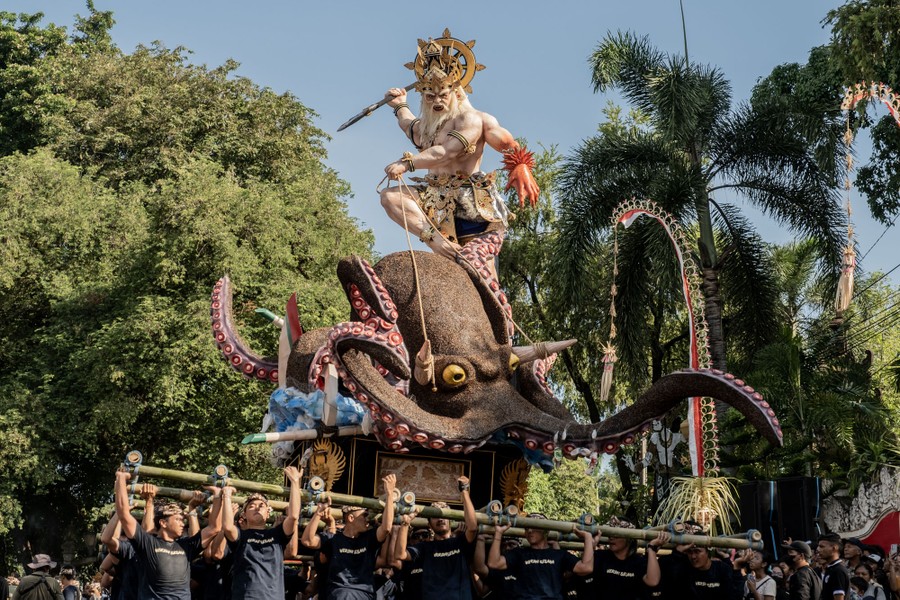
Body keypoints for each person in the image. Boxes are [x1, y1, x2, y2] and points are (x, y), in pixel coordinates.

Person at [381, 30, 540, 260]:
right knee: (389, 197)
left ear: (455, 91)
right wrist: (399, 105)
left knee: (480, 272)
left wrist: (520, 164)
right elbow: (409, 125)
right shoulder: (426, 127)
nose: (436, 101)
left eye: (442, 95)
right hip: (433, 200)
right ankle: (437, 242)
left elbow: (446, 152)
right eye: (429, 97)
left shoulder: (471, 119)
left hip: (469, 201)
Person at [113, 470, 223, 600]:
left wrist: (217, 495)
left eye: (183, 520)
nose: (182, 524)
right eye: (178, 519)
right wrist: (121, 479)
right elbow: (124, 514)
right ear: (163, 523)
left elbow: (215, 527)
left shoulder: (187, 546)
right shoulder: (148, 543)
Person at [301, 474, 397, 599]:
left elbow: (386, 527)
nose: (368, 520)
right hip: (341, 593)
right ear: (351, 518)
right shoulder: (333, 539)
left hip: (365, 594)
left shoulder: (368, 538)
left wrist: (390, 494)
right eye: (364, 515)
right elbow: (307, 541)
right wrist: (318, 513)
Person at [214, 466, 302, 600]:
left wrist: (295, 482)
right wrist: (227, 495)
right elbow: (227, 526)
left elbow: (294, 516)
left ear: (268, 513)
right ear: (244, 514)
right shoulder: (241, 536)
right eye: (251, 506)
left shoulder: (277, 534)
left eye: (262, 505)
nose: (257, 507)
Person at [393, 476, 478, 600]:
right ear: (429, 524)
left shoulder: (460, 542)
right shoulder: (425, 547)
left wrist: (464, 490)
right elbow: (400, 554)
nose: (440, 519)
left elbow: (473, 527)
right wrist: (405, 524)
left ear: (451, 519)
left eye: (444, 514)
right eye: (435, 516)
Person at [487, 512, 593, 600]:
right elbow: (493, 563)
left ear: (545, 531)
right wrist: (498, 533)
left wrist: (587, 538)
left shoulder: (559, 555)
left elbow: (586, 568)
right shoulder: (519, 553)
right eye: (526, 528)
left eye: (533, 527)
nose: (529, 531)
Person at [578, 517, 668, 599]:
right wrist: (590, 544)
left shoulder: (639, 562)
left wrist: (652, 548)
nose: (611, 538)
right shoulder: (601, 556)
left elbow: (653, 581)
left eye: (616, 534)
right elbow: (585, 571)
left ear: (628, 539)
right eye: (610, 534)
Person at [818, 533, 851, 600]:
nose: (818, 549)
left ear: (834, 548)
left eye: (822, 546)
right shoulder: (830, 569)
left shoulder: (838, 571)